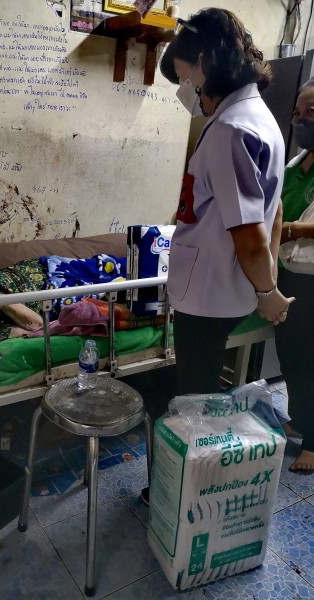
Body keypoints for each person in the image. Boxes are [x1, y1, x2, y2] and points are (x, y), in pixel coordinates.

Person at [141, 8, 294, 504]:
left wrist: (268, 292)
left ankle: (181, 499)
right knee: (198, 394)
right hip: (214, 285)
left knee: (192, 402)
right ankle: (188, 487)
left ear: (205, 61)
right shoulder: (260, 120)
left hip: (207, 294)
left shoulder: (231, 129)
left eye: (186, 77)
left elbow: (249, 234)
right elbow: (273, 213)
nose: (188, 91)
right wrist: (266, 281)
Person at [274, 77, 314, 472]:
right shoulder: (294, 165)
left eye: (311, 112)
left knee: (311, 360)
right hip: (289, 273)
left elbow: (285, 224)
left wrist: (289, 230)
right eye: (298, 113)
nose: (301, 120)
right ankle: (301, 418)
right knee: (291, 357)